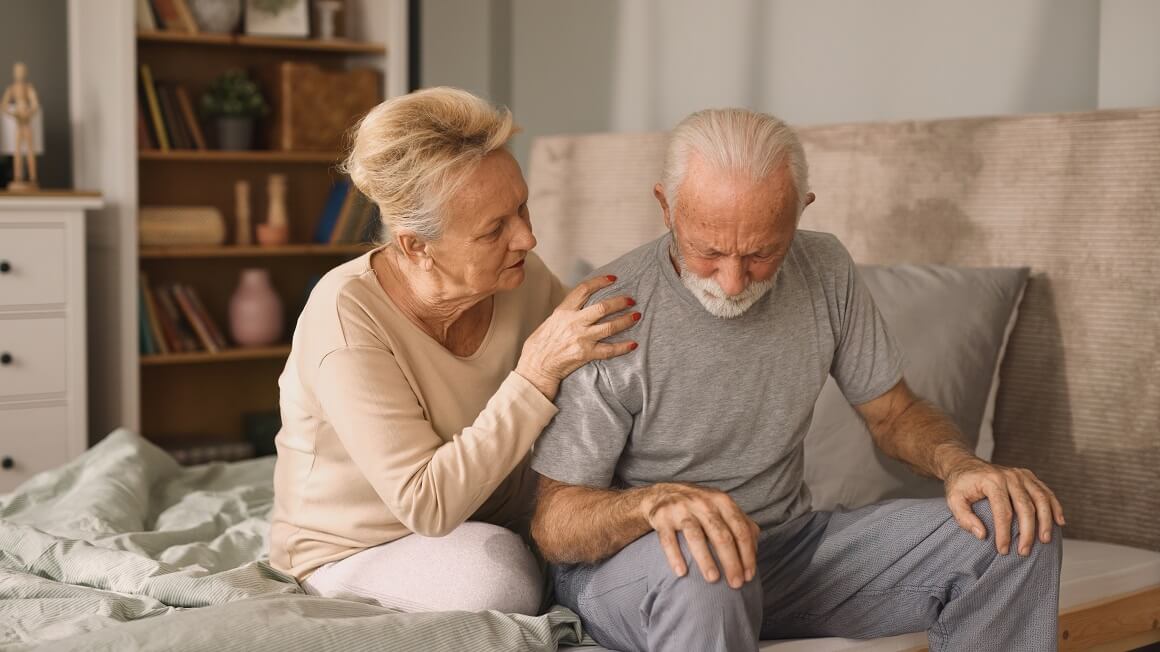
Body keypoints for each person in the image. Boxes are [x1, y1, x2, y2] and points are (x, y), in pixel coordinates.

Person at [530, 108, 1064, 651]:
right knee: (703, 555)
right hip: (641, 568)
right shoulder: (607, 310)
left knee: (1017, 527)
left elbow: (894, 413)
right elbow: (554, 522)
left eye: (762, 252)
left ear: (800, 212)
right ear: (666, 207)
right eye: (709, 251)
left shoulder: (825, 268)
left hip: (782, 551)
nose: (734, 281)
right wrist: (651, 505)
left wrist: (961, 465)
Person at [268, 87, 640, 615]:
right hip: (353, 550)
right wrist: (534, 374)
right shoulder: (345, 318)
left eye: (522, 207)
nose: (528, 239)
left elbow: (595, 380)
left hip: (493, 523)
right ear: (416, 246)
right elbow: (427, 503)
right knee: (494, 581)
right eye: (495, 230)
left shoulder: (522, 278)